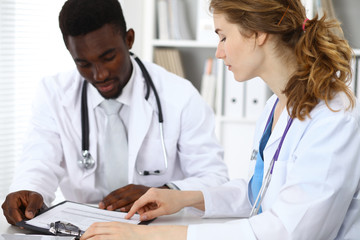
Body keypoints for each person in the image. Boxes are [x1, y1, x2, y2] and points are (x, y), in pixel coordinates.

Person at [79, 0, 360, 239]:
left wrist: (147, 234)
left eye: (224, 36)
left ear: (258, 33)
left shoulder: (334, 115)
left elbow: (285, 230)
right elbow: (256, 194)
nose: (219, 51)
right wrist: (182, 198)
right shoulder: (276, 105)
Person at [1, 0, 229, 226]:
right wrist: (27, 192)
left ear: (129, 39)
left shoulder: (179, 95)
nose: (99, 75)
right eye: (83, 64)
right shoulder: (54, 94)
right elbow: (38, 161)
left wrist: (165, 192)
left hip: (160, 227)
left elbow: (215, 179)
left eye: (108, 57)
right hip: (85, 228)